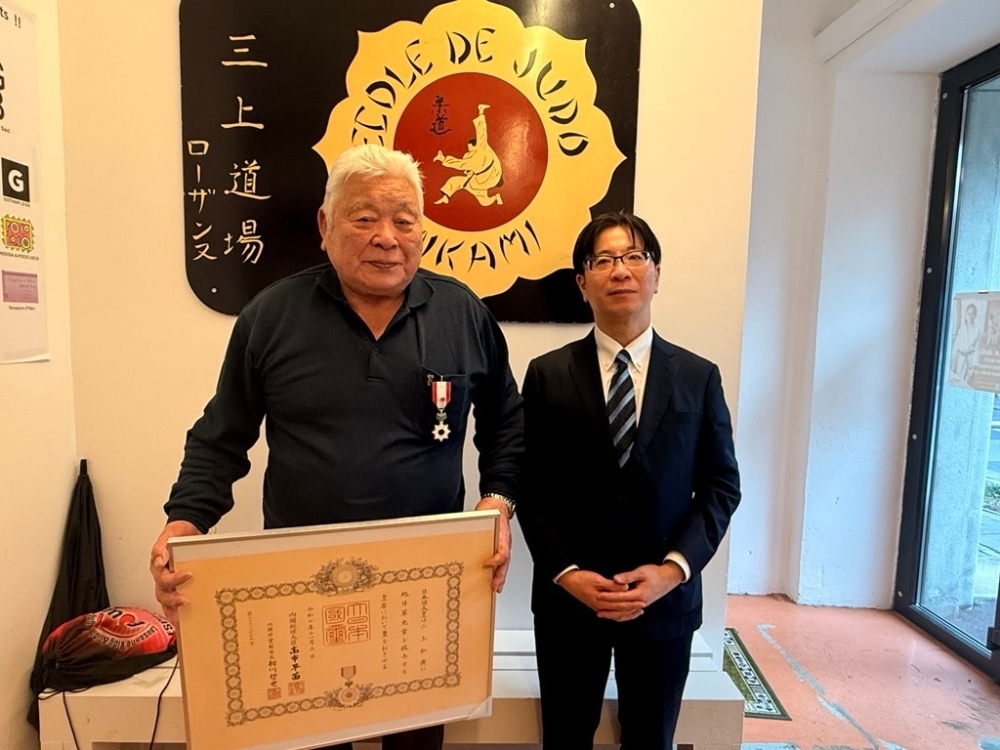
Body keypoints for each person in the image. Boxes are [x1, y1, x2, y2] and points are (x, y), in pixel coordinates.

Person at [148, 144, 523, 750]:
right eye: (364, 217)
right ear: (325, 226)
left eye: (404, 220)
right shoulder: (271, 316)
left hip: (424, 586)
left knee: (416, 739)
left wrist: (498, 503)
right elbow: (222, 436)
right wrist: (184, 523)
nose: (386, 238)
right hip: (305, 587)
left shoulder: (462, 314)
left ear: (423, 231)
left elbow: (507, 425)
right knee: (313, 736)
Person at [518, 211, 741, 750]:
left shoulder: (698, 376)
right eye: (604, 260)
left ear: (656, 274)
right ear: (582, 282)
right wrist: (567, 572)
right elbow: (530, 484)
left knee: (650, 739)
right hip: (571, 601)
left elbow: (721, 486)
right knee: (565, 738)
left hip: (664, 601)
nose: (620, 270)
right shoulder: (547, 374)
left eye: (634, 256)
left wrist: (672, 570)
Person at [433, 103, 504, 206]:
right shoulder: (479, 150)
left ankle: (446, 196)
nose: (469, 149)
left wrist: (443, 159)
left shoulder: (478, 152)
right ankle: (445, 197)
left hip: (488, 178)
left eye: (470, 147)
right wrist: (481, 112)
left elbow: (459, 164)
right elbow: (481, 132)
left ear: (475, 145)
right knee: (484, 202)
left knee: (459, 181)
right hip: (485, 179)